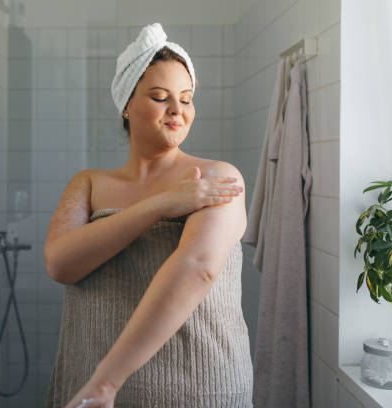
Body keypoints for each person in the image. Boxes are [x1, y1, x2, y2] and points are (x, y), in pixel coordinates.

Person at [43, 23, 253, 408]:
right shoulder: (87, 183)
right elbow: (60, 264)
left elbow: (198, 267)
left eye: (186, 99)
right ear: (126, 104)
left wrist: (106, 382)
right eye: (160, 97)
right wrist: (160, 205)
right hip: (94, 391)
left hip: (195, 389)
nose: (177, 109)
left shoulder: (218, 178)